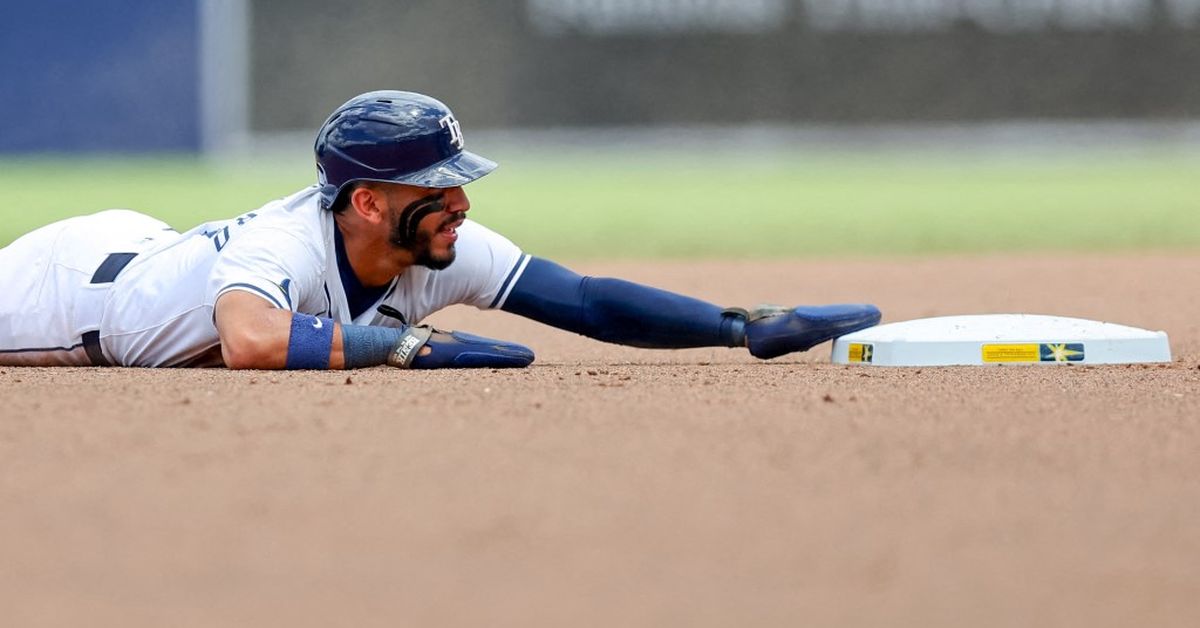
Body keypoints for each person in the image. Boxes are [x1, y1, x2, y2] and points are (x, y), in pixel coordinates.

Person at [0, 90, 880, 369]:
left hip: (149, 242)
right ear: (369, 202)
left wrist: (733, 327)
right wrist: (404, 347)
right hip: (72, 294)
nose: (460, 203)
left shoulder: (434, 244)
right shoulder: (286, 247)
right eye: (437, 186)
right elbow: (252, 341)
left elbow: (583, 301)